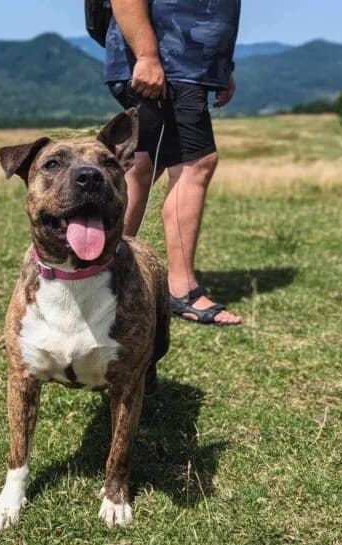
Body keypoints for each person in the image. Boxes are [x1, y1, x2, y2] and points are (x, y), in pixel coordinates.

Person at [106, 0, 242, 325]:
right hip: (169, 63)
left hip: (183, 64)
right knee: (197, 163)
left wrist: (222, 67)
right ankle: (181, 290)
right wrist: (147, 56)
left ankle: (100, 274)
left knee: (141, 164)